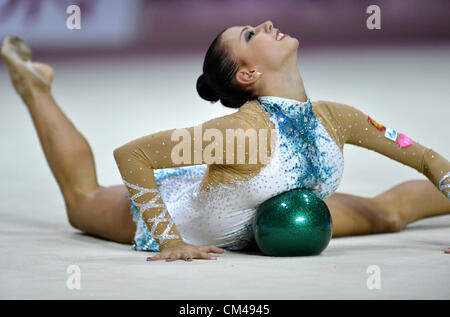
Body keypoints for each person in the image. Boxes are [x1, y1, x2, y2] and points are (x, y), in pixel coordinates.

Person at [2, 21, 449, 263]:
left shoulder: (336, 119)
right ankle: (34, 87)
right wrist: (169, 239)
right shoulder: (242, 135)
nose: (267, 23)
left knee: (389, 214)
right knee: (83, 201)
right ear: (248, 75)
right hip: (189, 210)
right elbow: (132, 154)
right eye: (251, 35)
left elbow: (426, 158)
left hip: (270, 207)